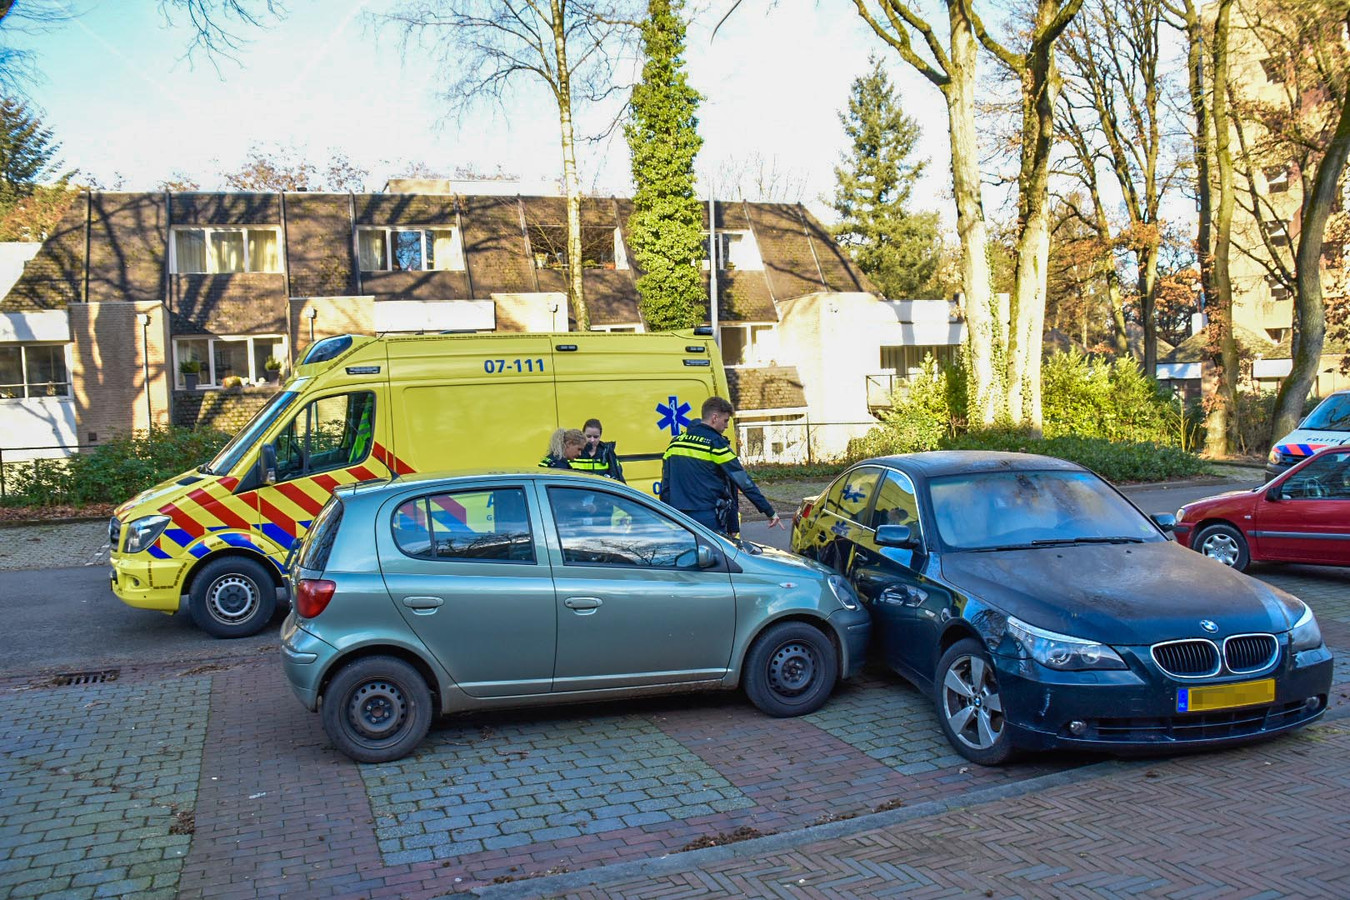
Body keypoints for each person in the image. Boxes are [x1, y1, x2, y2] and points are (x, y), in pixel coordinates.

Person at [660, 396, 781, 536]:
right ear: (714, 418)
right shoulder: (716, 444)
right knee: (713, 556)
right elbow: (743, 481)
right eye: (725, 420)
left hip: (678, 517)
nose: (727, 426)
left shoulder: (675, 444)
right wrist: (769, 511)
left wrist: (669, 514)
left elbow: (666, 486)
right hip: (707, 516)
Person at [570, 418, 626, 482]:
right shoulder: (574, 452)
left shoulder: (607, 453)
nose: (592, 440)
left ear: (600, 436)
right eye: (588, 436)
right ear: (583, 434)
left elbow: (618, 478)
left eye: (595, 437)